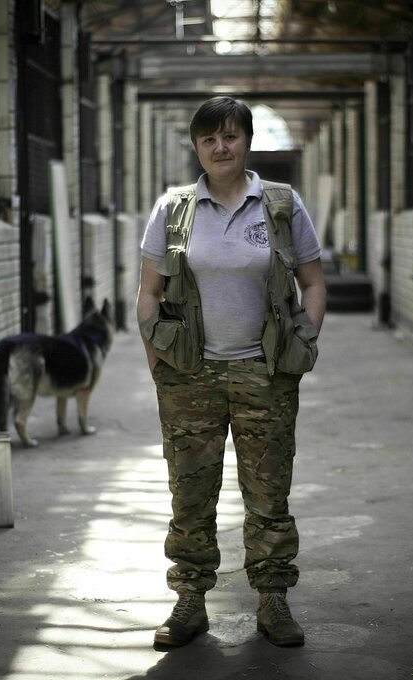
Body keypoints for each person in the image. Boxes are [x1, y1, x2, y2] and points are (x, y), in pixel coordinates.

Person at [136, 96, 326, 649]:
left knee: (269, 494)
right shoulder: (173, 210)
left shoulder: (281, 205)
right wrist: (160, 368)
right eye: (208, 139)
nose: (221, 147)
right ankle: (190, 602)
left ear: (246, 141)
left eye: (230, 136)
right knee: (190, 495)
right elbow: (148, 295)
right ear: (197, 148)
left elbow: (313, 283)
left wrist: (300, 349)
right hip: (189, 376)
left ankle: (273, 601)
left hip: (264, 374)